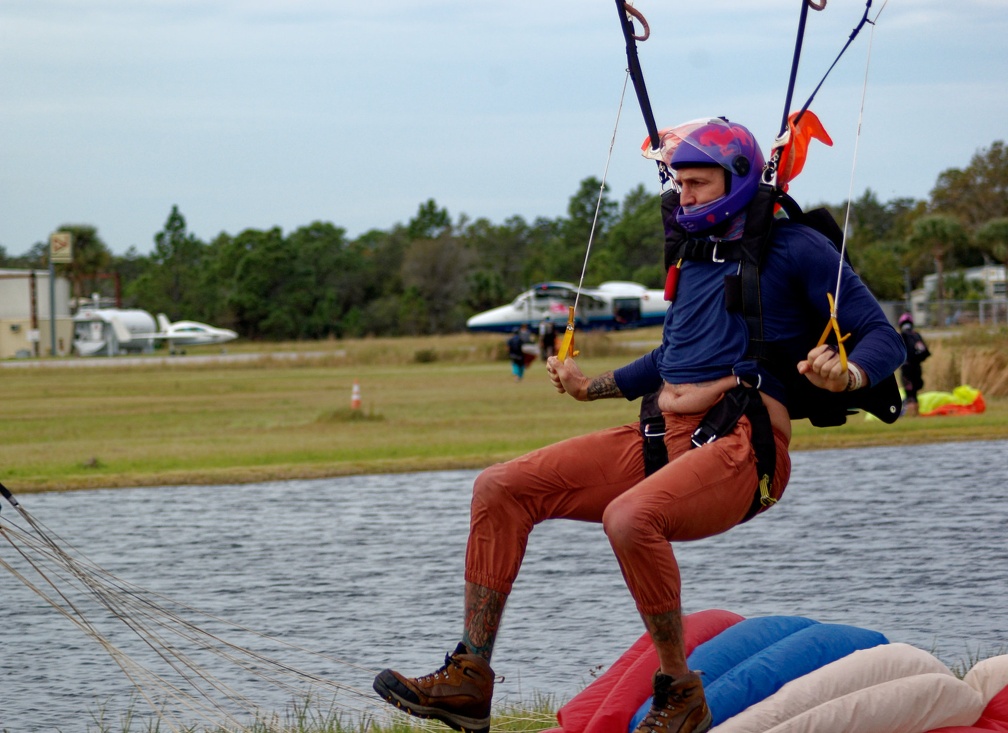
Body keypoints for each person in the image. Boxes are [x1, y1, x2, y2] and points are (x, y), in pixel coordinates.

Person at [373, 118, 905, 733]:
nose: (685, 197)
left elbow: (881, 336)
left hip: (743, 442)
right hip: (658, 436)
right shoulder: (692, 255)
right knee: (500, 486)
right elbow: (669, 360)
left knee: (629, 517)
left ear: (735, 180)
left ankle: (680, 691)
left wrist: (849, 375)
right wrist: (589, 387)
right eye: (679, 184)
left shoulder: (797, 250)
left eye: (698, 184)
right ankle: (470, 678)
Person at [898, 312, 930, 416]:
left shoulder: (902, 336)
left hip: (906, 368)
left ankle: (912, 416)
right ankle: (916, 414)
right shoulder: (916, 335)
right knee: (915, 392)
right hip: (917, 367)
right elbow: (925, 352)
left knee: (909, 393)